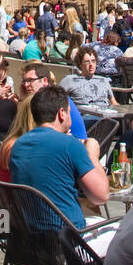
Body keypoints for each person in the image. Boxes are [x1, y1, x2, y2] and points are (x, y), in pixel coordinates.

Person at [8, 87, 115, 248]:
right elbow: (101, 197)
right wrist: (92, 154)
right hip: (68, 240)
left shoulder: (18, 145)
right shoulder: (70, 145)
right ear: (61, 113)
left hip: (29, 240)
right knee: (125, 235)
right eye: (70, 111)